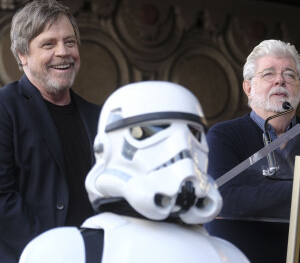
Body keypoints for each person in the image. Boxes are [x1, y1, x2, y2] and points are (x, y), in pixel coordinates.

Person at [18, 81, 249, 263]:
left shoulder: (228, 256)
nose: (183, 150)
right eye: (149, 132)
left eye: (193, 134)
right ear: (105, 147)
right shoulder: (65, 252)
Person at [0, 0, 100, 262]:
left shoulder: (99, 117)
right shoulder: (4, 108)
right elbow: (1, 199)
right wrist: (51, 253)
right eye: (48, 44)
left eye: (70, 42)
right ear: (22, 55)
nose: (63, 52)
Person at [204, 39, 300, 263]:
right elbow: (220, 197)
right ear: (248, 87)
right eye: (268, 74)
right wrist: (295, 190)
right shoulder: (223, 135)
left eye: (290, 74)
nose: (280, 80)